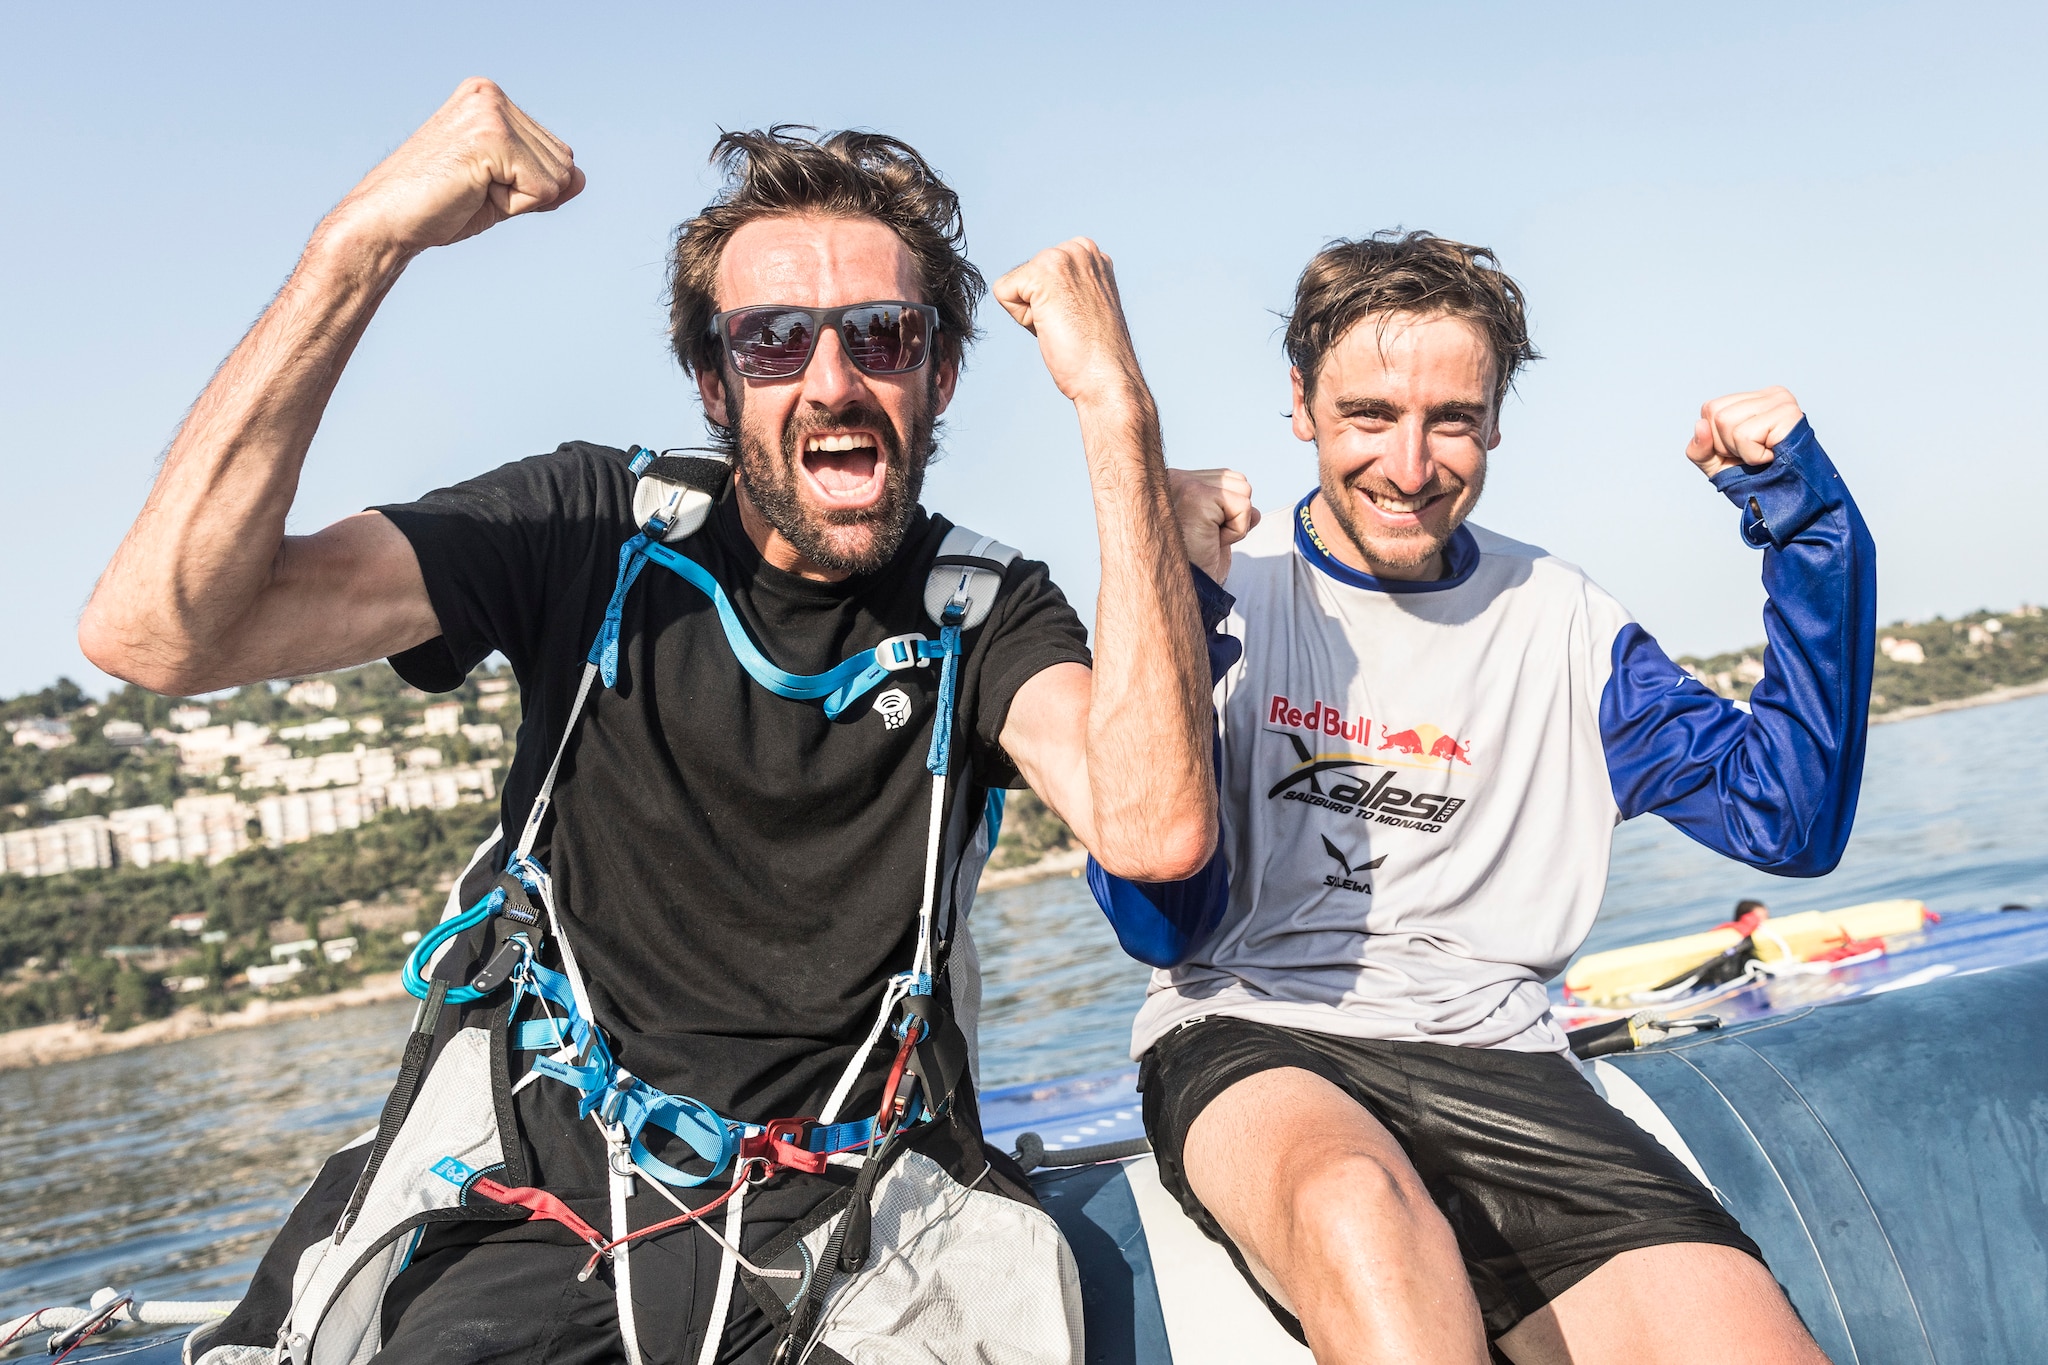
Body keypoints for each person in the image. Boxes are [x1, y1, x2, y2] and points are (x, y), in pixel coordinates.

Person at [79, 80, 1217, 1365]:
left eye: (883, 335)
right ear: (710, 380)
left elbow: (1156, 826)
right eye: (773, 339)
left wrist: (1116, 413)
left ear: (938, 374)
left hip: (858, 1229)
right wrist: (364, 242)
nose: (832, 380)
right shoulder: (586, 529)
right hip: (539, 1208)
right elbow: (160, 633)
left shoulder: (982, 610)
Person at [1096, 230, 1873, 1363]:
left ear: (1495, 421)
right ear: (1300, 404)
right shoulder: (1217, 587)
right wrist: (1183, 614)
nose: (1409, 465)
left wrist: (1808, 527)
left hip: (1504, 1065)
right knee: (1356, 1206)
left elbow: (1785, 823)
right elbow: (1154, 919)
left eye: (1450, 421)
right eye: (1367, 415)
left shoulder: (1561, 620)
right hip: (1252, 1032)